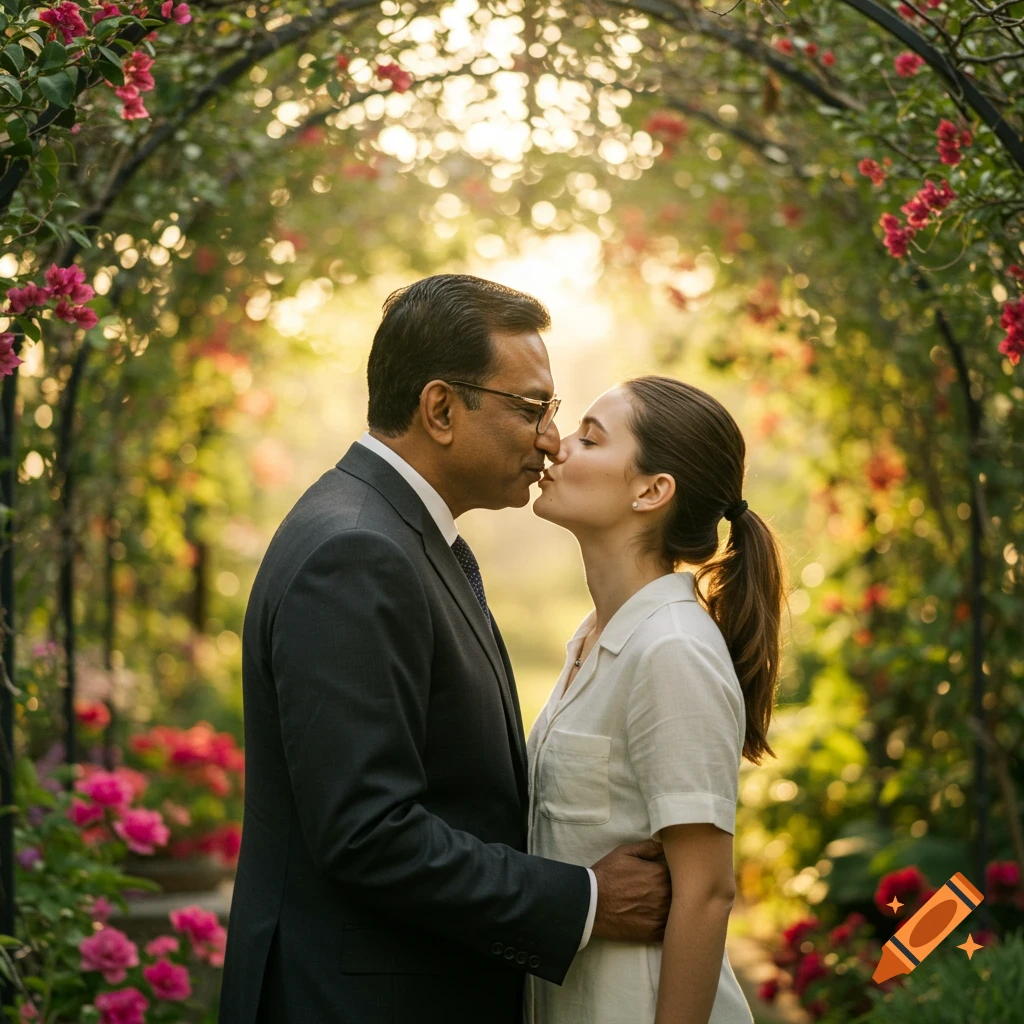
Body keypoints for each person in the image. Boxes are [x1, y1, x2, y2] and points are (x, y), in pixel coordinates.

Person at [218, 275, 672, 1024]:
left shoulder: (399, 534)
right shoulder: (357, 552)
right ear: (440, 409)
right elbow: (368, 833)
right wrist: (586, 900)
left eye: (552, 411)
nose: (550, 438)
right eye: (530, 408)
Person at [528, 376, 786, 1024]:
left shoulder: (673, 649)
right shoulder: (595, 638)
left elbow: (707, 893)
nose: (557, 444)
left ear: (651, 491)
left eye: (590, 438)